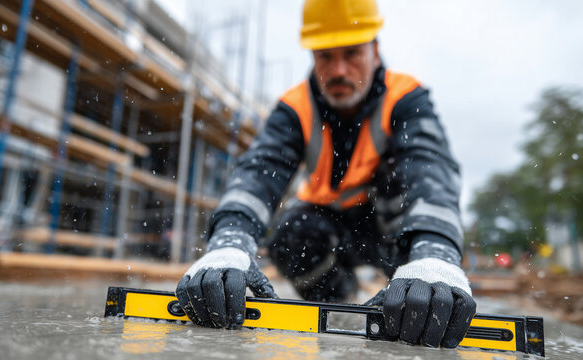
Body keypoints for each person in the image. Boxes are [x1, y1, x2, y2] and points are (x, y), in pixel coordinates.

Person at [176, 0, 476, 348]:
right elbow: (258, 173)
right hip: (328, 229)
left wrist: (434, 255)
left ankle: (411, 286)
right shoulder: (295, 107)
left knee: (415, 219)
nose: (338, 71)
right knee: (292, 234)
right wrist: (229, 242)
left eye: (352, 53)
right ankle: (342, 304)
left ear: (375, 51)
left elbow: (431, 172)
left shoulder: (406, 98)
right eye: (325, 56)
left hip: (391, 234)